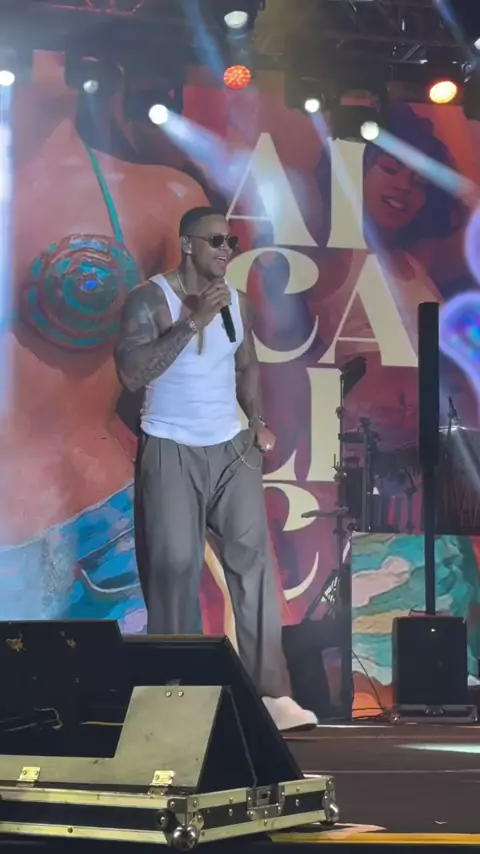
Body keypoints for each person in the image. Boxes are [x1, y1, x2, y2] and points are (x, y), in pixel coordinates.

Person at [114, 205, 318, 731]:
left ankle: (273, 695)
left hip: (231, 447)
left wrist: (257, 421)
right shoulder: (149, 299)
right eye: (216, 241)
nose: (227, 250)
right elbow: (132, 374)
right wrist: (192, 322)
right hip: (170, 444)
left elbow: (245, 363)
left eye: (232, 242)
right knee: (174, 568)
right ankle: (173, 693)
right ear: (187, 244)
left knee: (255, 569)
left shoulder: (237, 303)